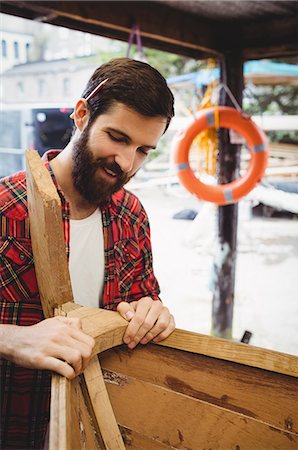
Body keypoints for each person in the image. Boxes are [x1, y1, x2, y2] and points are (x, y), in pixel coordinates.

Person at [0, 57, 176, 449]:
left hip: (100, 427)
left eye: (144, 151)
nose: (127, 163)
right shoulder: (3, 209)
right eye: (117, 137)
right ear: (81, 114)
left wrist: (153, 314)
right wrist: (10, 340)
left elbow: (143, 299)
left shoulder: (132, 215)